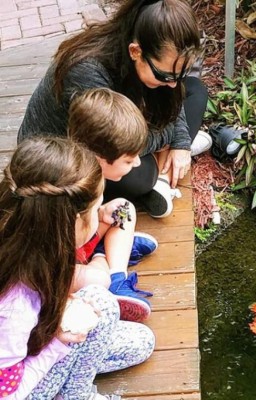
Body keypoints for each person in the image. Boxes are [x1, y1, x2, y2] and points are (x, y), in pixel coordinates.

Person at [17, 0, 211, 219]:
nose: (174, 84)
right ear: (136, 51)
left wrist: (181, 143)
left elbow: (173, 100)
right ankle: (161, 173)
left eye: (179, 75)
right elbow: (115, 146)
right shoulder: (88, 72)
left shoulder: (151, 63)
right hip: (64, 160)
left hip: (119, 131)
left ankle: (163, 174)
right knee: (135, 175)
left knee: (196, 92)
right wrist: (169, 138)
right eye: (165, 75)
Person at [0, 137, 155, 399]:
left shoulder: (30, 244)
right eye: (96, 209)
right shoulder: (16, 306)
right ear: (73, 223)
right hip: (19, 388)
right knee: (101, 302)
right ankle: (77, 394)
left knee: (140, 342)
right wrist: (57, 343)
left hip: (29, 343)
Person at [68, 87, 157, 322]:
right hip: (63, 260)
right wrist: (96, 262)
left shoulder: (91, 175)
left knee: (123, 209)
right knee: (97, 280)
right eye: (128, 159)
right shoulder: (69, 188)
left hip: (83, 239)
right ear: (99, 157)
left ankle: (117, 272)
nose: (138, 163)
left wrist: (102, 212)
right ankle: (109, 261)